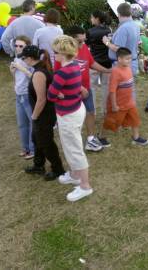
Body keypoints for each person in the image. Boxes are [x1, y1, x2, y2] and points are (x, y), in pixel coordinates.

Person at [47, 35, 93, 202]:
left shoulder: (61, 72)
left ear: (63, 54)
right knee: (70, 146)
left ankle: (85, 186)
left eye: (56, 52)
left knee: (74, 149)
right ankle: (75, 175)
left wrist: (59, 95)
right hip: (75, 109)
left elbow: (50, 95)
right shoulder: (75, 66)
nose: (54, 55)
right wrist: (62, 93)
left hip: (68, 115)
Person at [59, 27, 112, 153]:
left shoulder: (84, 49)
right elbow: (58, 75)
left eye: (84, 41)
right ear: (70, 40)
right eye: (79, 41)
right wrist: (78, 87)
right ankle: (73, 144)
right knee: (72, 117)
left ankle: (90, 139)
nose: (83, 44)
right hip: (70, 93)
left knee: (90, 112)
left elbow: (92, 63)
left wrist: (107, 70)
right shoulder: (62, 55)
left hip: (86, 89)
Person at [20, 45, 65, 181]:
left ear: (29, 58)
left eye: (23, 58)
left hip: (43, 114)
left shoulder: (39, 73)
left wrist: (34, 116)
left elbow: (41, 99)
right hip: (44, 113)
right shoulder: (40, 69)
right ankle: (38, 165)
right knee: (36, 139)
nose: (23, 60)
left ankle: (58, 169)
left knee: (46, 142)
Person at [100, 47, 148, 146]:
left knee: (135, 119)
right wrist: (114, 105)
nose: (129, 60)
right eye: (127, 59)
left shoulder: (128, 68)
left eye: (130, 58)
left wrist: (131, 99)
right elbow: (112, 91)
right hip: (118, 105)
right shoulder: (115, 72)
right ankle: (101, 137)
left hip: (129, 103)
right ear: (119, 59)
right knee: (111, 122)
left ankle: (136, 138)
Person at [10, 36, 35, 159]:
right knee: (22, 124)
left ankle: (32, 149)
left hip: (27, 95)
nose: (18, 48)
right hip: (19, 94)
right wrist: (13, 72)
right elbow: (16, 80)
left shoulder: (29, 60)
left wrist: (22, 69)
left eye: (21, 46)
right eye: (16, 45)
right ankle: (25, 148)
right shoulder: (16, 58)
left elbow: (35, 77)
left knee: (32, 122)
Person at [103, 2, 141, 79]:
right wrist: (114, 38)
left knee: (120, 89)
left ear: (119, 14)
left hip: (122, 65)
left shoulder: (123, 28)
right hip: (132, 62)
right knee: (128, 89)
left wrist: (106, 42)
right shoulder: (135, 25)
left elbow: (119, 49)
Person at [86, 10, 112, 117]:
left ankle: (93, 111)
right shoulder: (108, 30)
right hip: (107, 63)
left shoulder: (90, 31)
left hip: (94, 63)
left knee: (92, 87)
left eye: (92, 17)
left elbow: (87, 46)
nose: (91, 19)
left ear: (97, 18)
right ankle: (105, 110)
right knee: (106, 86)